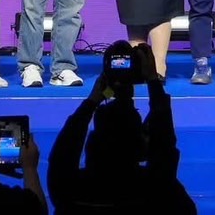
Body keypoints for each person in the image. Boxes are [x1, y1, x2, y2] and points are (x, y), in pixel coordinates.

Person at [48, 42, 196, 215]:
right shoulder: (158, 190)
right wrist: (152, 80)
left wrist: (92, 101)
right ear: (141, 148)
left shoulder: (70, 191)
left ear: (91, 146)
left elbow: (63, 155)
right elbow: (164, 146)